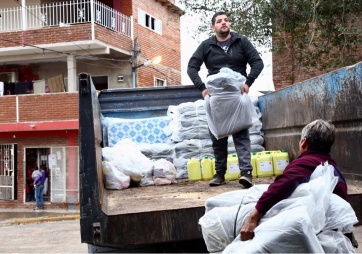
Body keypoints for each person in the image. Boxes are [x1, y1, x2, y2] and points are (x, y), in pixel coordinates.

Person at [240, 119, 358, 248]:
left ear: (304, 142)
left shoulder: (306, 162)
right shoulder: (333, 167)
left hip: (322, 231)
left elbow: (282, 186)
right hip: (337, 231)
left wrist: (253, 218)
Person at [187, 11, 264, 187]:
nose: (224, 23)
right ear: (213, 27)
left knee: (241, 135)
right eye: (220, 21)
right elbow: (192, 67)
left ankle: (246, 174)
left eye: (226, 20)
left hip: (237, 96)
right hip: (217, 99)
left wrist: (248, 82)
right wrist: (203, 88)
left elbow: (257, 62)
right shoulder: (206, 46)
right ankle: (220, 174)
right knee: (218, 137)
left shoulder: (241, 42)